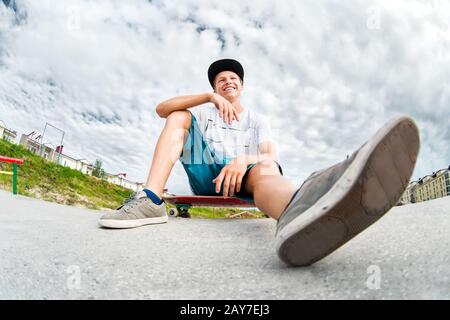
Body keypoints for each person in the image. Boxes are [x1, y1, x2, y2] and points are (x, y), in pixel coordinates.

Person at [99, 59, 420, 266]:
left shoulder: (256, 119)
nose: (228, 82)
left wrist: (243, 161)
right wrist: (206, 98)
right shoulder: (204, 109)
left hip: (244, 178)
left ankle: (299, 214)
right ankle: (150, 201)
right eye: (221, 80)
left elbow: (268, 156)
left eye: (233, 78)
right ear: (215, 86)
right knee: (177, 115)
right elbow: (162, 108)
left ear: (241, 85)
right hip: (205, 172)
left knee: (265, 166)